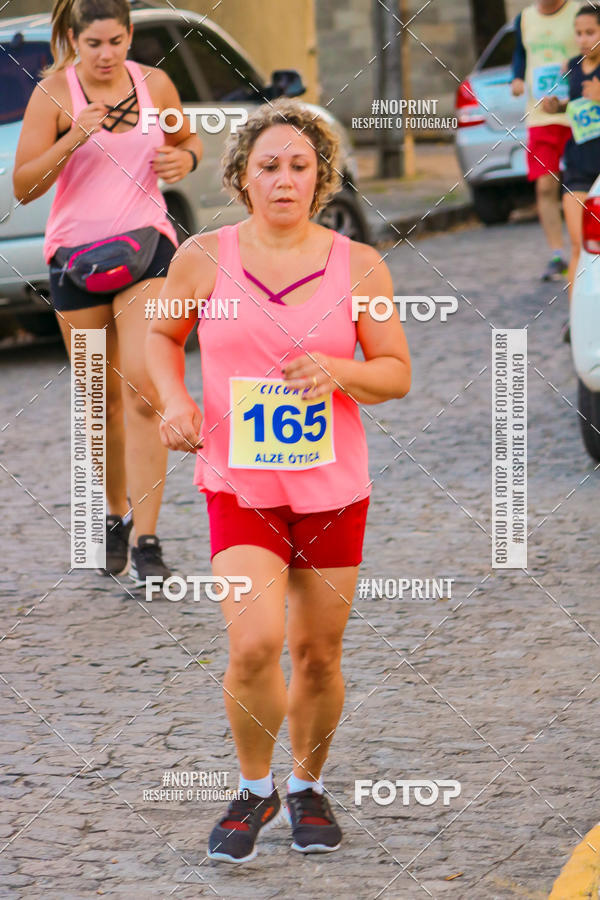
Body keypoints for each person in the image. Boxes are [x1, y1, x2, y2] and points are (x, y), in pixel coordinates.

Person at [146, 99, 411, 862]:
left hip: (332, 489)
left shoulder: (360, 264)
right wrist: (175, 400)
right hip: (240, 482)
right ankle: (255, 790)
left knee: (320, 655)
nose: (285, 179)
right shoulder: (203, 255)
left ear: (321, 178)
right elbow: (162, 336)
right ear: (242, 175)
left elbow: (395, 373)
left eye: (300, 166)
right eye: (269, 166)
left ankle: (306, 786)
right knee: (257, 645)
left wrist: (338, 371)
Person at [13, 0, 202, 582]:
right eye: (93, 43)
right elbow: (24, 186)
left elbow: (186, 142)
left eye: (116, 41)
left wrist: (183, 159)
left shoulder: (156, 83)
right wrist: (72, 138)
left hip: (147, 249)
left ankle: (147, 539)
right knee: (101, 404)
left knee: (146, 394)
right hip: (75, 260)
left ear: (128, 36)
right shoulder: (52, 94)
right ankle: (114, 516)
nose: (106, 54)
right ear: (73, 38)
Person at [543, 5, 600, 342]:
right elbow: (577, 108)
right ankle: (576, 321)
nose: (583, 39)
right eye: (578, 33)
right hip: (578, 164)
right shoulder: (572, 68)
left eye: (590, 32)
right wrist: (558, 106)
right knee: (578, 246)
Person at [511, 0, 579, 281]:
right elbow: (520, 53)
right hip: (541, 116)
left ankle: (587, 248)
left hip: (579, 111)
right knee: (545, 185)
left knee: (585, 186)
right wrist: (516, 77)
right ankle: (557, 255)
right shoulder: (524, 18)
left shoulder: (580, 12)